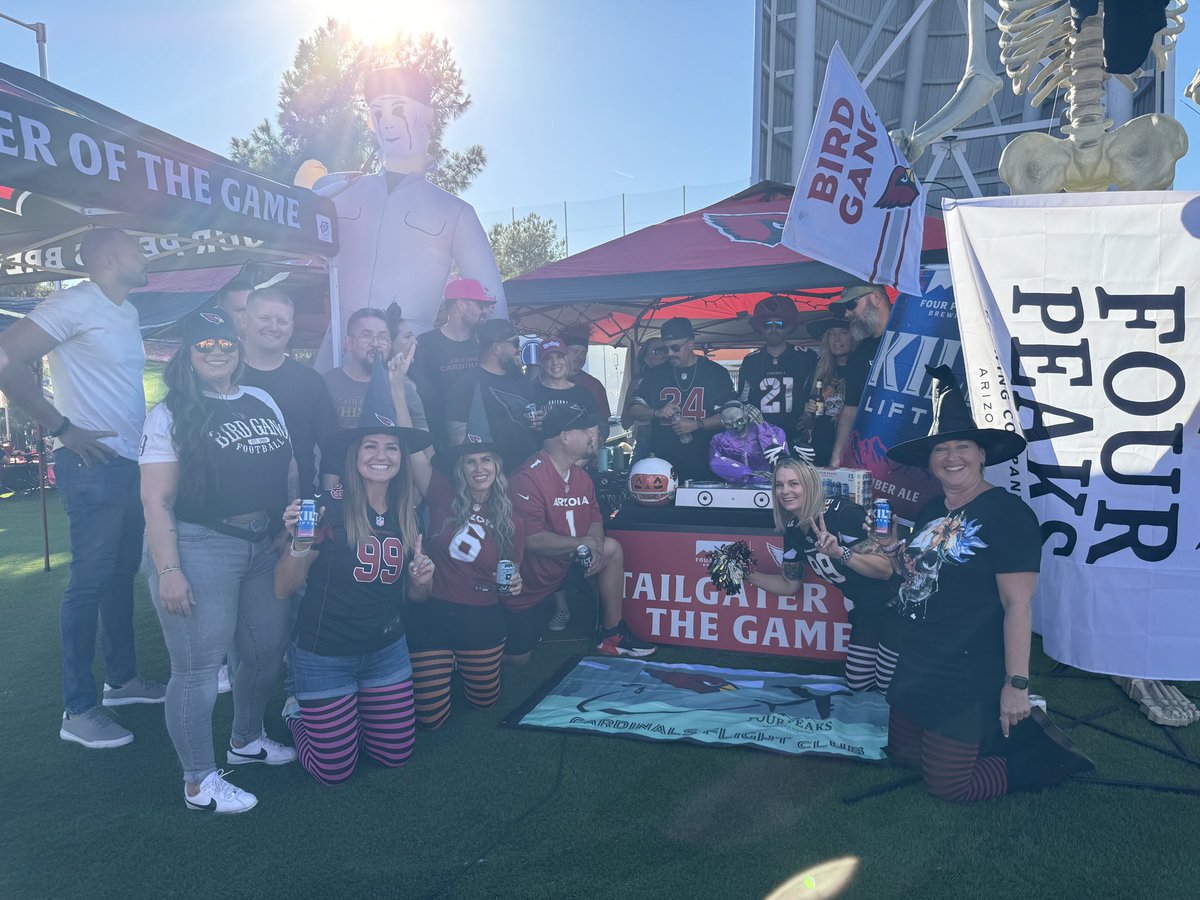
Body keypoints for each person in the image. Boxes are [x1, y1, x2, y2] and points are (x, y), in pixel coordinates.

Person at [880, 365, 1093, 801]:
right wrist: (891, 551)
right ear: (930, 460)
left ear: (981, 455)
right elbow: (919, 571)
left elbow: (1018, 606)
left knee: (949, 785)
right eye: (942, 448)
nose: (951, 456)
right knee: (902, 753)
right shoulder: (930, 508)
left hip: (967, 669)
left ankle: (1041, 756)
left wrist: (1016, 687)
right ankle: (985, 741)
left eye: (962, 446)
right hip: (919, 658)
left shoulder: (1007, 514)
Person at [0, 227, 165, 750]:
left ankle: (122, 682)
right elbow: (6, 357)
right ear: (110, 255)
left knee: (119, 577)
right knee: (90, 583)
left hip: (128, 465)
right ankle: (78, 709)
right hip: (90, 466)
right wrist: (60, 428)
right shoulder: (74, 302)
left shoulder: (127, 311)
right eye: (138, 247)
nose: (146, 255)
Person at [140, 309, 296, 814]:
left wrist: (285, 525)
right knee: (198, 668)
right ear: (187, 353)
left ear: (239, 347)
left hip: (261, 543)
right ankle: (198, 781)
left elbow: (288, 468)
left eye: (225, 341)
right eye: (205, 344)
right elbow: (156, 501)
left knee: (265, 653)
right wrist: (168, 570)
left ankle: (246, 741)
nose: (217, 350)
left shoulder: (261, 398)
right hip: (199, 544)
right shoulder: (168, 414)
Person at [274, 367, 433, 785]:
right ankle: (296, 710)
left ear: (401, 459)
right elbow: (284, 586)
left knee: (395, 755)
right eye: (371, 446)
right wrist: (299, 542)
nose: (381, 455)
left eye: (392, 448)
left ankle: (352, 713)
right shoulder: (325, 507)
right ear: (354, 454)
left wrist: (421, 580)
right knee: (335, 770)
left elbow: (418, 598)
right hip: (326, 653)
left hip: (385, 649)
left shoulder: (409, 512)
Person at [310, 67, 506, 343]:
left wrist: (496, 359)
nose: (387, 123)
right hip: (340, 351)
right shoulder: (341, 193)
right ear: (369, 120)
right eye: (378, 112)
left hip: (411, 357)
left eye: (399, 110)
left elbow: (491, 301)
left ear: (426, 115)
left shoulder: (455, 212)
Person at [507, 406, 656, 662]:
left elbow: (595, 519)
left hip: (564, 567)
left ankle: (611, 634)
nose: (592, 435)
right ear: (565, 436)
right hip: (528, 583)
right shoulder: (527, 477)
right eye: (585, 430)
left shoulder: (580, 476)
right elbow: (531, 540)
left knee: (610, 548)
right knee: (519, 658)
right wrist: (582, 544)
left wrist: (594, 546)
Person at [745, 459, 900, 693]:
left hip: (896, 608)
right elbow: (789, 585)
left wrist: (840, 553)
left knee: (889, 686)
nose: (785, 491)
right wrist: (745, 574)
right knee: (858, 684)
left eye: (793, 484)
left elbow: (885, 569)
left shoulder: (843, 513)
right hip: (866, 611)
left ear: (809, 485)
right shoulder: (794, 529)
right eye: (779, 485)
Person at [407, 440, 524, 728]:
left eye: (486, 459)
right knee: (430, 719)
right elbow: (413, 450)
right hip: (432, 613)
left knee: (483, 701)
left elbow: (509, 574)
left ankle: (460, 665)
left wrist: (515, 584)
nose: (479, 467)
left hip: (480, 617)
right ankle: (447, 663)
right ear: (460, 469)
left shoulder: (513, 521)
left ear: (497, 466)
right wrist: (399, 393)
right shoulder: (442, 492)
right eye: (470, 461)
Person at [239, 287, 337, 497]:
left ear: (291, 328)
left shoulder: (310, 381)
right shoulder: (225, 375)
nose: (274, 327)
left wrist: (330, 500)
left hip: (297, 504)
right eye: (264, 318)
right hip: (232, 509)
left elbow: (332, 447)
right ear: (245, 320)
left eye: (282, 321)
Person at [625, 317, 735, 482]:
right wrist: (657, 412)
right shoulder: (656, 375)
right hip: (663, 468)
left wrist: (697, 424)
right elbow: (633, 410)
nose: (669, 354)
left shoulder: (715, 373)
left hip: (707, 465)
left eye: (675, 348)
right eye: (665, 349)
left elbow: (732, 416)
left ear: (690, 343)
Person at [410, 278, 494, 449]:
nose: (485, 311)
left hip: (486, 440)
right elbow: (418, 397)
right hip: (441, 445)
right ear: (461, 305)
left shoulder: (485, 343)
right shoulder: (425, 344)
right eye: (480, 305)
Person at [446, 319, 538, 472]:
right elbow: (457, 439)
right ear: (496, 348)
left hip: (528, 473)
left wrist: (541, 421)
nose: (519, 348)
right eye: (515, 343)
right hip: (491, 478)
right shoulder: (465, 385)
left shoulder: (520, 379)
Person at [325, 307, 427, 433]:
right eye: (366, 335)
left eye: (383, 337)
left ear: (389, 345)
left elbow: (424, 447)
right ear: (349, 343)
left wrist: (398, 387)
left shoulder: (403, 386)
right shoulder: (325, 384)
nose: (375, 343)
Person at [737, 295, 817, 447]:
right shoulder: (750, 361)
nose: (773, 329)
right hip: (761, 440)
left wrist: (811, 415)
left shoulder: (806, 357)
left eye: (779, 323)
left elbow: (818, 391)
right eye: (767, 324)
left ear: (789, 326)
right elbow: (743, 401)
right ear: (760, 327)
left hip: (797, 439)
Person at [828, 284, 891, 467]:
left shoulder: (913, 331)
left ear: (876, 299)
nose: (847, 314)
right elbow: (850, 409)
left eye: (851, 305)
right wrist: (837, 456)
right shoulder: (859, 355)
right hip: (877, 453)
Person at [800, 316, 858, 467]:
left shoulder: (863, 369)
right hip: (821, 449)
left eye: (843, 333)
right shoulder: (818, 372)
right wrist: (807, 412)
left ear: (854, 336)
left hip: (855, 449)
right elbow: (807, 423)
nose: (836, 339)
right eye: (832, 333)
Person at [708, 400, 788, 484]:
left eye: (739, 421)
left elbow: (780, 458)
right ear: (722, 422)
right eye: (729, 424)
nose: (735, 426)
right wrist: (750, 474)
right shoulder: (719, 440)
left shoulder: (775, 431)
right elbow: (715, 463)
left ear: (746, 415)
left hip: (769, 487)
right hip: (735, 491)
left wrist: (762, 427)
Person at [560, 325, 612, 439]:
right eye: (575, 351)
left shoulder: (594, 386)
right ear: (563, 352)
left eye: (583, 352)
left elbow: (604, 426)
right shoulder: (546, 381)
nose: (580, 357)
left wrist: (595, 447)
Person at [620, 337, 667, 458]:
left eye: (665, 350)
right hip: (644, 447)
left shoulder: (675, 382)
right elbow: (625, 423)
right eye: (656, 351)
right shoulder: (637, 384)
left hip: (669, 447)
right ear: (645, 359)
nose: (662, 354)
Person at [530, 338, 595, 414]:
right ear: (541, 363)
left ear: (566, 359)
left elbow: (597, 425)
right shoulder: (532, 393)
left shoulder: (584, 393)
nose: (555, 362)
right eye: (548, 358)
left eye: (559, 356)